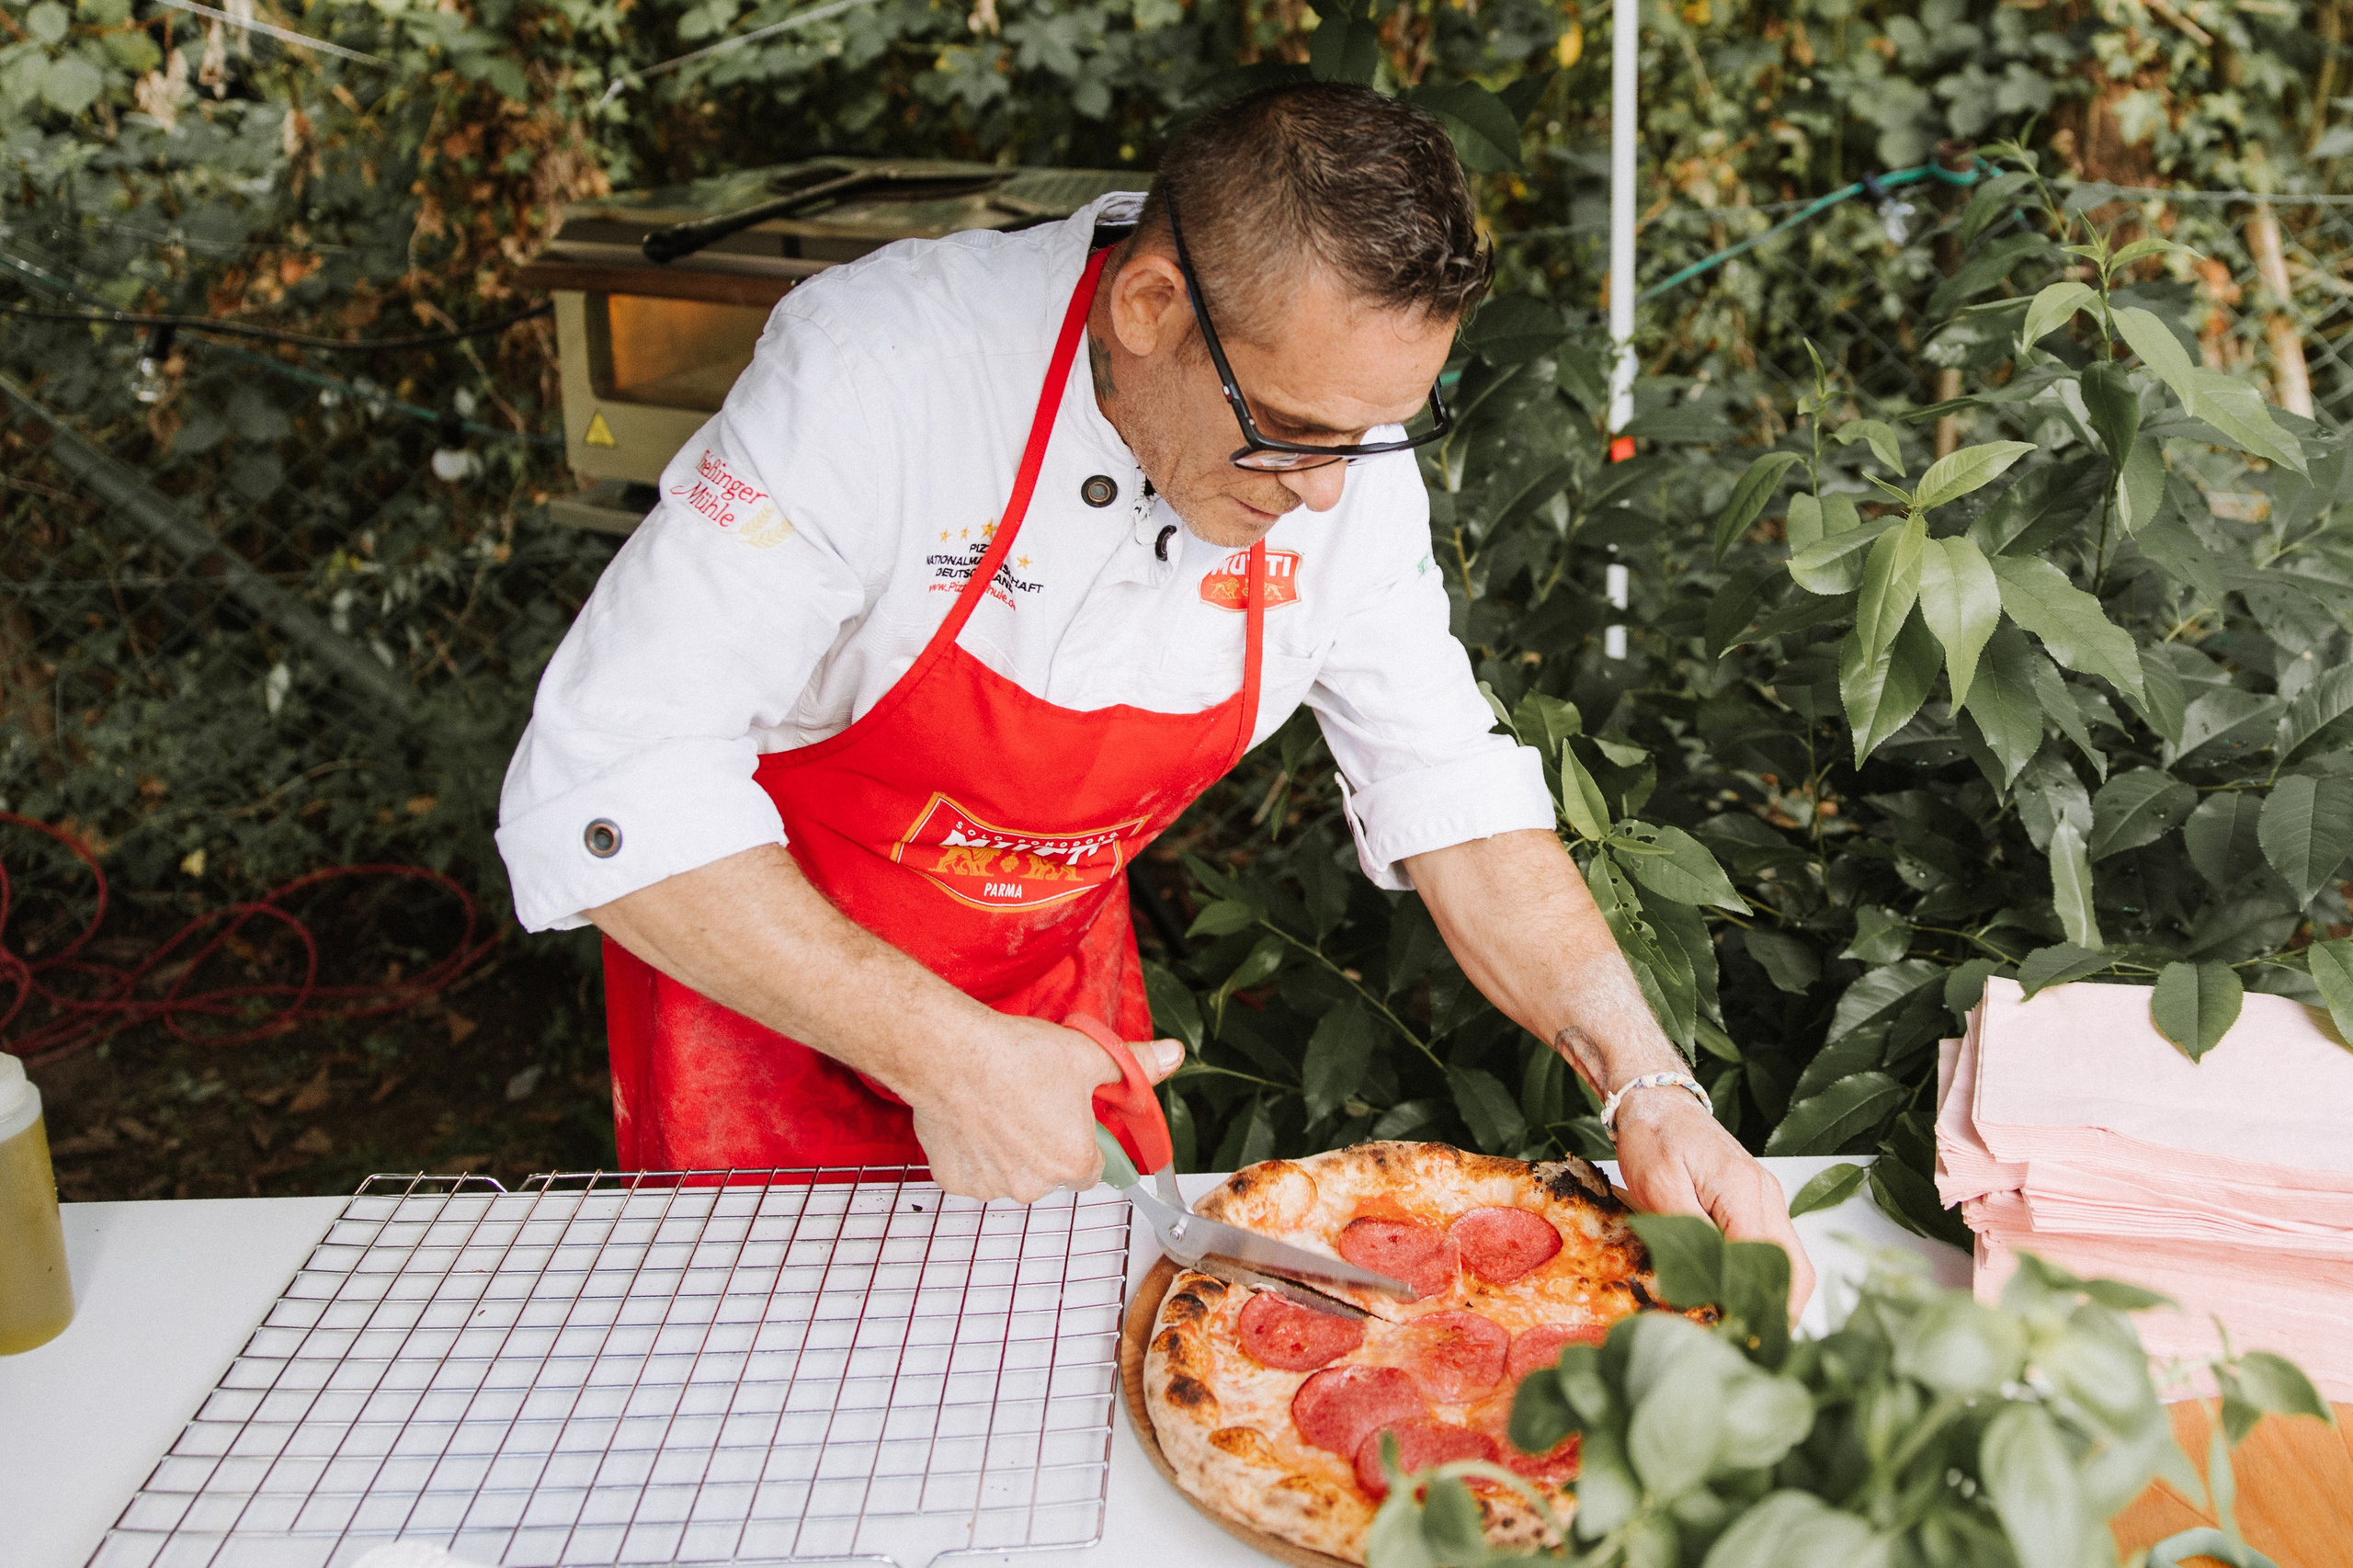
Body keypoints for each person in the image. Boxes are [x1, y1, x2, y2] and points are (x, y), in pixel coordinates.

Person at [497, 82, 1813, 1303]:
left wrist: (1651, 1087)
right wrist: (946, 1053)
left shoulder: (1337, 449)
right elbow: (609, 783)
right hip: (765, 987)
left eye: (1368, 436)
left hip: (1055, 1009)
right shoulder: (880, 369)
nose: (1326, 491)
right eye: (1292, 430)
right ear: (1149, 310)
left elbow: (1455, 796)